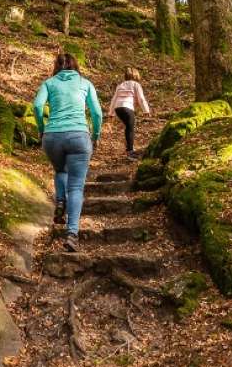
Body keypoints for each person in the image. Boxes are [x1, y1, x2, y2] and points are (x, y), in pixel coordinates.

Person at [33, 53, 102, 252]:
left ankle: (60, 200)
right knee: (77, 187)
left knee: (60, 170)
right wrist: (95, 135)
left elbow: (37, 106)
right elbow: (97, 113)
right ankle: (72, 234)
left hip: (52, 137)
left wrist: (41, 128)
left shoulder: (49, 83)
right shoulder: (85, 83)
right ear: (75, 65)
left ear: (57, 66)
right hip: (79, 136)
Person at [107, 67, 150, 159]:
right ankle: (130, 152)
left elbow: (114, 99)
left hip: (118, 108)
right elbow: (141, 98)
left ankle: (129, 149)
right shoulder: (136, 84)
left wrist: (111, 113)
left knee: (128, 127)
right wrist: (146, 110)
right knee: (130, 128)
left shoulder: (120, 85)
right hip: (127, 107)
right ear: (136, 76)